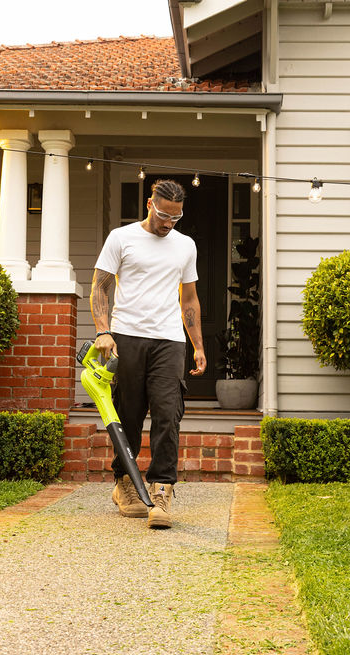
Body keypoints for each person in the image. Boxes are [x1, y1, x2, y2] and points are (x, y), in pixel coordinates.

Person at [90, 179, 206, 529]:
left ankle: (161, 490)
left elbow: (188, 299)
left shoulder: (185, 246)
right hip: (126, 337)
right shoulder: (121, 238)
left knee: (169, 414)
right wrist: (102, 331)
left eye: (176, 217)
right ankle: (124, 484)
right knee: (128, 414)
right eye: (163, 215)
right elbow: (100, 286)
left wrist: (198, 344)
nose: (168, 223)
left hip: (170, 340)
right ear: (148, 205)